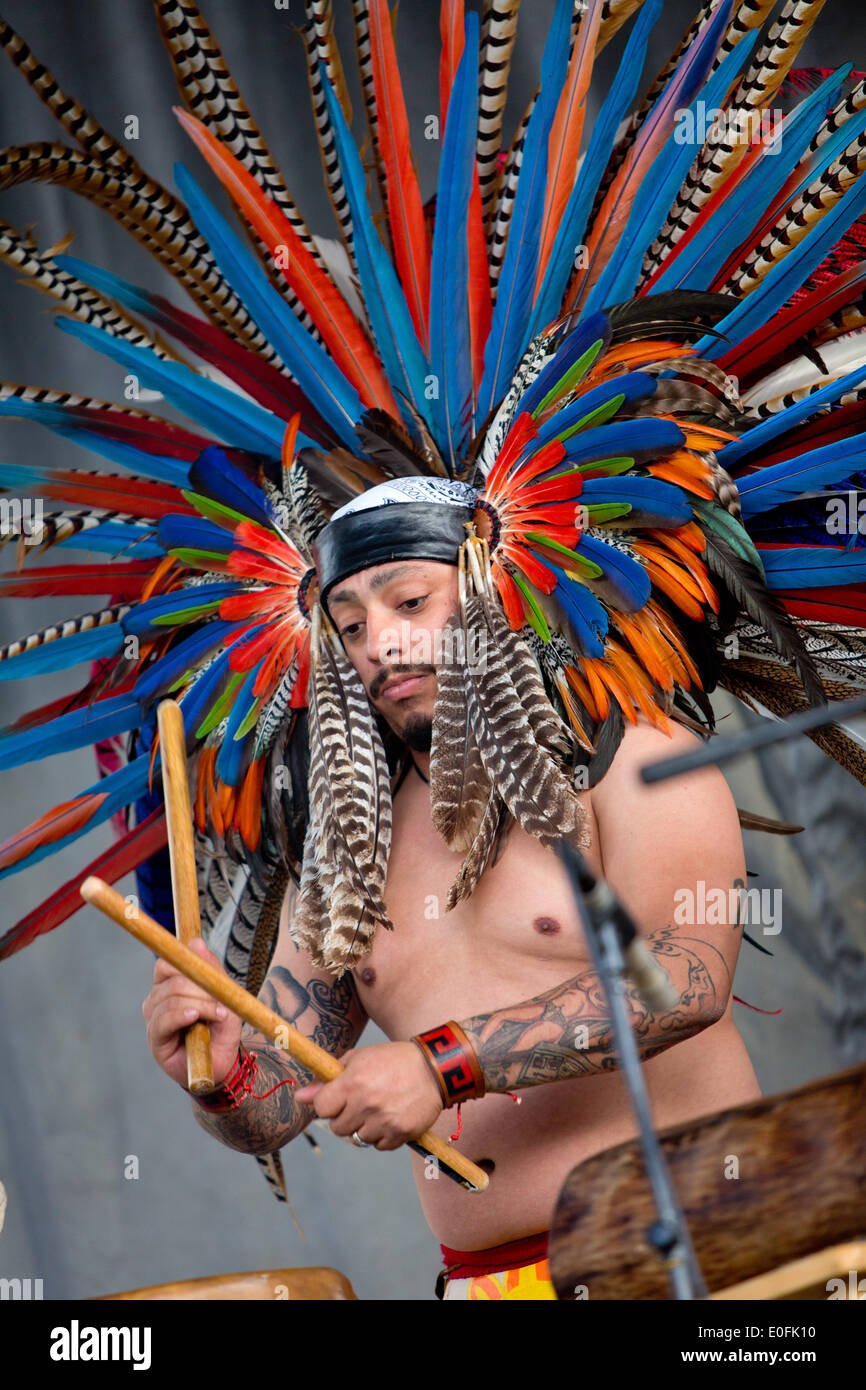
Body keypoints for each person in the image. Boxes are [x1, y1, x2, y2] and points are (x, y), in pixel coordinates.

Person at [143, 539, 760, 1302]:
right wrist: (220, 1070)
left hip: (703, 1247)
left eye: (408, 604)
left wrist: (441, 1065)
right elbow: (275, 1105)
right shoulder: (350, 852)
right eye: (351, 625)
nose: (383, 643)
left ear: (489, 591)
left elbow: (686, 977)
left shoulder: (633, 757)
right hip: (490, 1286)